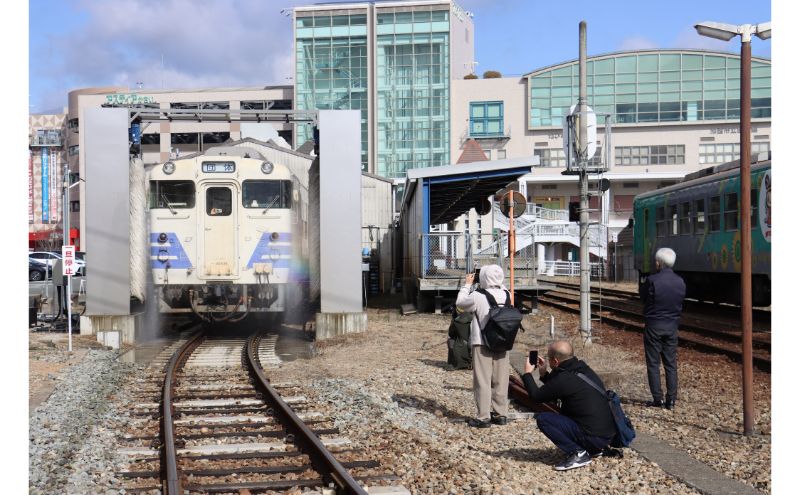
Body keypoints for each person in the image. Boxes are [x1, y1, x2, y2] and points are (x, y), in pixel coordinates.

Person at [522, 340, 617, 471]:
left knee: (543, 419)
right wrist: (544, 373)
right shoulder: (582, 368)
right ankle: (592, 449)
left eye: (550, 358)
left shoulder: (564, 378)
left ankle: (578, 453)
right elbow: (558, 387)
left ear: (555, 361)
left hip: (594, 437)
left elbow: (536, 397)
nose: (549, 361)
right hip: (606, 436)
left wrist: (527, 373)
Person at [456, 264, 511, 428]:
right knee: (501, 379)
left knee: (483, 380)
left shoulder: (478, 295)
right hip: (504, 342)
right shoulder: (506, 293)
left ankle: (483, 417)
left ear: (484, 278)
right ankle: (501, 414)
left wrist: (467, 285)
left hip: (482, 342)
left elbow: (460, 303)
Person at [639, 247, 686, 410]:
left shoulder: (652, 280)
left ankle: (657, 399)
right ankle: (671, 400)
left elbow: (643, 298)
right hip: (672, 326)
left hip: (654, 326)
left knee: (653, 363)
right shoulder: (680, 281)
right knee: (670, 363)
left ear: (658, 262)